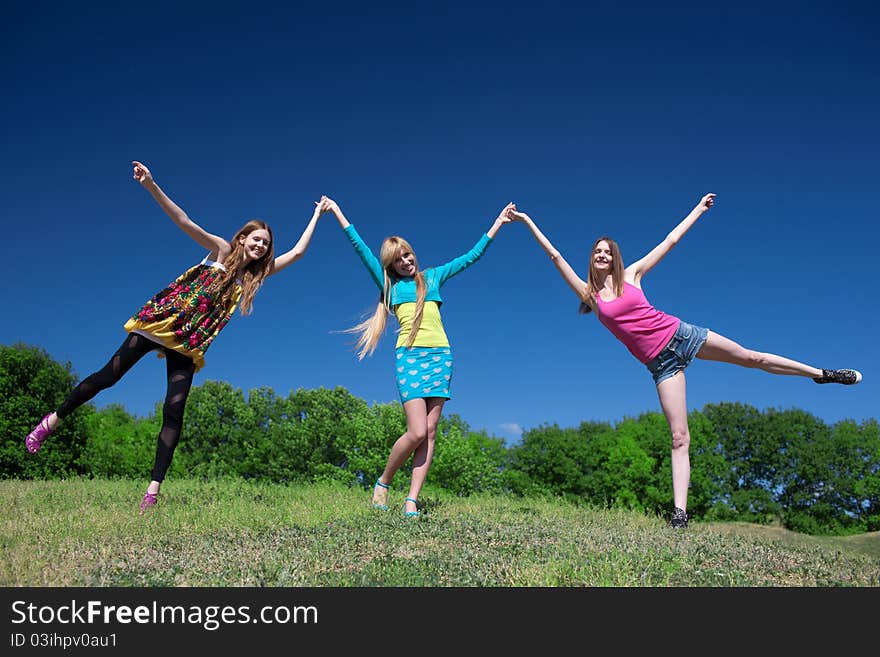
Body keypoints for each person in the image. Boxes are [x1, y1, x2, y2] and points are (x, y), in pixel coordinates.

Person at [507, 193, 862, 528]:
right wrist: (526, 221)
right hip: (662, 365)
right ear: (591, 258)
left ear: (614, 257)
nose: (601, 255)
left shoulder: (632, 275)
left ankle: (821, 373)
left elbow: (669, 241)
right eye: (597, 251)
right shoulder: (590, 295)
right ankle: (680, 514)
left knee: (751, 356)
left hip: (682, 334)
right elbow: (554, 256)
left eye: (607, 251)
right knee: (679, 437)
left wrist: (698, 210)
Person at [25, 160, 326, 513]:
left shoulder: (254, 278)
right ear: (242, 238)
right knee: (108, 376)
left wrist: (318, 214)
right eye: (256, 240)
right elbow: (184, 221)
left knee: (174, 410)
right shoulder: (220, 251)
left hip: (189, 341)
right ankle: (52, 421)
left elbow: (299, 252)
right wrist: (151, 185)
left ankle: (152, 492)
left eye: (266, 244)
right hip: (160, 323)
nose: (261, 246)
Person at [320, 195, 513, 517]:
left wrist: (498, 223)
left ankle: (411, 499)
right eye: (398, 260)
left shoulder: (433, 278)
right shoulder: (389, 286)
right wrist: (337, 211)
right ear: (391, 265)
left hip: (441, 357)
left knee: (432, 432)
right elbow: (359, 246)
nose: (406, 262)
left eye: (407, 254)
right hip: (410, 357)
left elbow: (471, 256)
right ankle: (383, 483)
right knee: (417, 431)